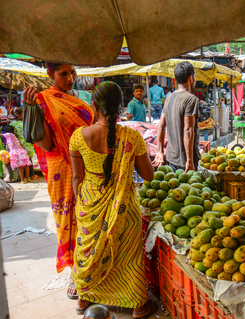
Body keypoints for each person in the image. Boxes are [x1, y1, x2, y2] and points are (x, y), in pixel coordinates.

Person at [69, 81, 156, 317]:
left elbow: (77, 178)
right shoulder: (133, 137)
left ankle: (84, 298)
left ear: (93, 105)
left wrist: (85, 208)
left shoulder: (78, 137)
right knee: (128, 256)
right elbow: (148, 176)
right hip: (124, 209)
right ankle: (137, 305)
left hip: (89, 205)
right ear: (120, 107)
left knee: (87, 254)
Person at [23, 62, 94, 300]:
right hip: (61, 169)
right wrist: (32, 109)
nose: (70, 78)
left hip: (87, 164)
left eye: (73, 72)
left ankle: (93, 267)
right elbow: (45, 144)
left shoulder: (82, 99)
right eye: (63, 74)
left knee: (90, 215)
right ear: (50, 74)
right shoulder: (43, 101)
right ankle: (75, 274)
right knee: (68, 219)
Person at [153, 61, 200, 172]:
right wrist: (189, 160)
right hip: (185, 163)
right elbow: (188, 130)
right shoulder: (191, 99)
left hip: (170, 158)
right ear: (190, 78)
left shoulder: (169, 98)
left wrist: (160, 151)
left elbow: (160, 126)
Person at [10, 107, 39, 181]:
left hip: (18, 144)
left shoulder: (12, 123)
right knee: (29, 160)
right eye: (23, 114)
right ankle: (32, 175)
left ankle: (21, 177)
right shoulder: (25, 123)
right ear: (19, 115)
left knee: (20, 161)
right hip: (26, 143)